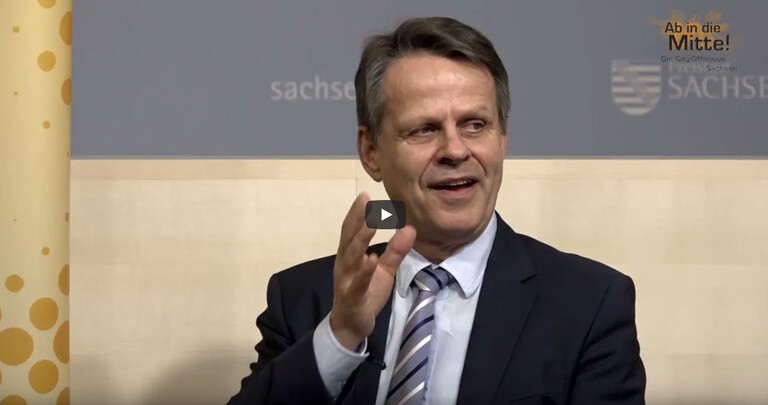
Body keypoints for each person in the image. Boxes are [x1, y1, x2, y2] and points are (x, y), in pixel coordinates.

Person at [228, 16, 645, 405]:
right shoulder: (303, 298)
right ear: (371, 152)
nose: (455, 150)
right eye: (424, 129)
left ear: (502, 139)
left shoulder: (590, 303)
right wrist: (340, 337)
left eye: (475, 125)